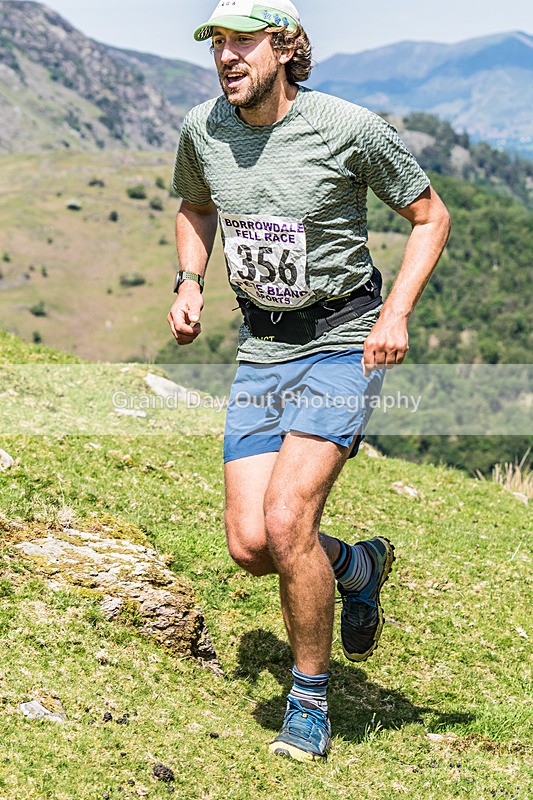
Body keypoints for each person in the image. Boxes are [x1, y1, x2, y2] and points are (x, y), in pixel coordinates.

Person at [168, 0, 450, 762]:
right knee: (251, 544)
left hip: (344, 336)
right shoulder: (204, 129)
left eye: (243, 42)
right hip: (264, 346)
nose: (227, 56)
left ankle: (308, 701)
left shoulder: (345, 127)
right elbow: (195, 205)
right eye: (217, 43)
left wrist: (395, 312)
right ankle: (358, 567)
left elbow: (430, 216)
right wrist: (189, 280)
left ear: (285, 47)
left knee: (288, 519)